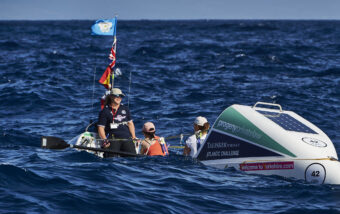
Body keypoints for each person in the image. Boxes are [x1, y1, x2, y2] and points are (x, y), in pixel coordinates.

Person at [97, 88, 137, 156]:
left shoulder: (125, 109)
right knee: (111, 160)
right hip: (113, 139)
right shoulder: (105, 111)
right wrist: (104, 140)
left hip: (126, 138)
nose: (119, 98)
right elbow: (100, 127)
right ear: (111, 96)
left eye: (120, 96)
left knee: (133, 159)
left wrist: (134, 137)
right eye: (116, 95)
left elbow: (130, 124)